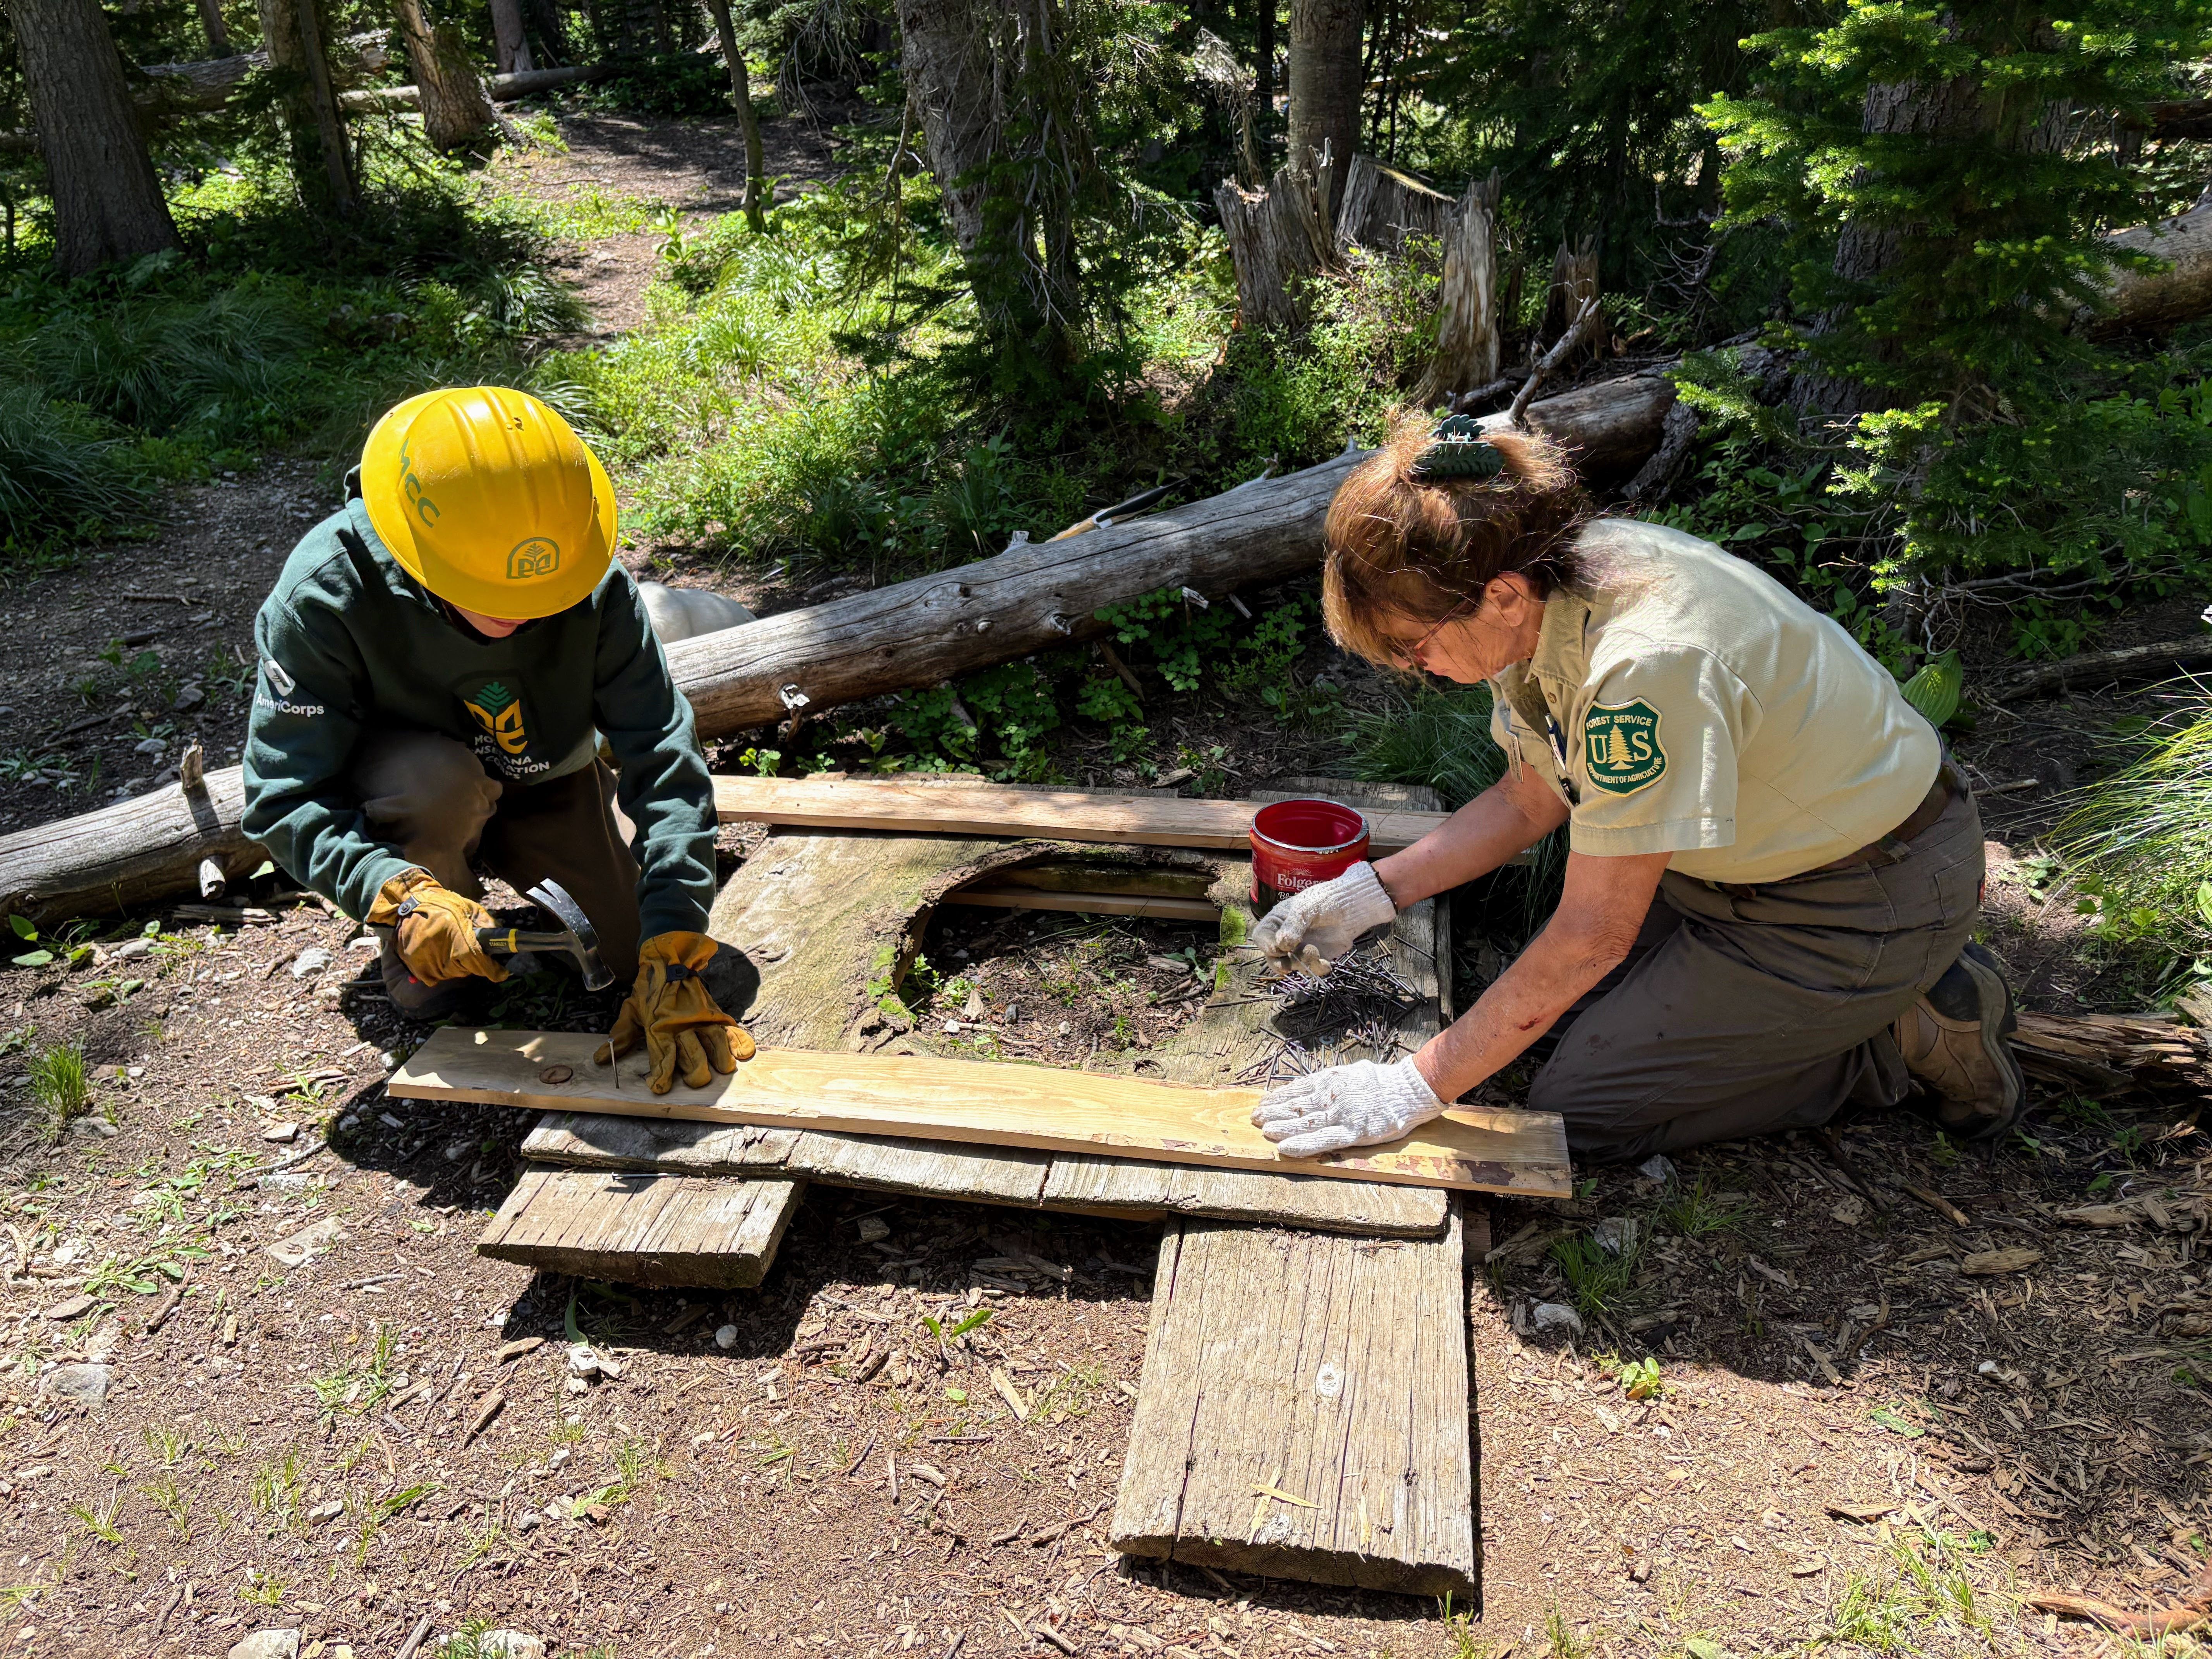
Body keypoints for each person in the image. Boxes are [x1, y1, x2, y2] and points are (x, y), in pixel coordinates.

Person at [1248, 414, 2022, 1164]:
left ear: (1503, 595)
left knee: (1581, 1106)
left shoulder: (1642, 669)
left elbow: (1594, 936)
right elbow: (1529, 797)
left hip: (1860, 893)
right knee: (1543, 1028)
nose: (1419, 668)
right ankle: (1827, 1003)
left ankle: (1890, 1033)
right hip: (1722, 873)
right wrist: (1368, 894)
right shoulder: (1534, 583)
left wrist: (1412, 1088)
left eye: (1418, 647)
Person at [240, 385, 751, 1095]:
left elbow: (663, 754)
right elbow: (283, 798)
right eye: (491, 595)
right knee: (436, 841)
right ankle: (430, 920)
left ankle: (552, 867)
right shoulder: (326, 595)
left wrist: (674, 931)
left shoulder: (585, 575)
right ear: (417, 552)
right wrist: (390, 892)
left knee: (635, 949)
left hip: (547, 774)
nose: (523, 615)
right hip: (418, 796)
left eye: (539, 599)